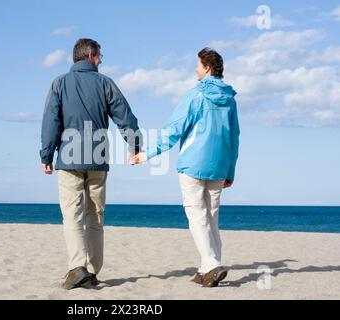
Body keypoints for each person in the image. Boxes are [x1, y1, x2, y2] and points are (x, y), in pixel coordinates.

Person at [132, 47, 240, 288]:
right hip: (219, 165)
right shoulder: (230, 100)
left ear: (208, 68)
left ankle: (211, 265)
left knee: (197, 214)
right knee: (211, 216)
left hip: (193, 163)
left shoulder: (195, 96)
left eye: (198, 65)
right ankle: (206, 268)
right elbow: (234, 138)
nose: (195, 69)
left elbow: (173, 130)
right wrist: (230, 170)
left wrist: (146, 154)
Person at [40, 38, 142, 290]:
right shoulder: (105, 83)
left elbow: (50, 122)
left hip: (69, 157)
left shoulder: (59, 83)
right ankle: (93, 271)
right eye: (99, 56)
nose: (101, 60)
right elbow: (125, 116)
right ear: (89, 55)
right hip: (98, 157)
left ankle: (78, 268)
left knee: (72, 215)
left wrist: (46, 155)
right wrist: (135, 145)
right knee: (95, 215)